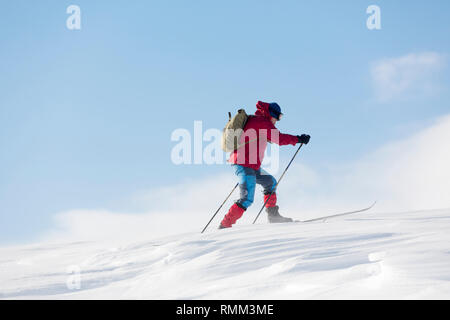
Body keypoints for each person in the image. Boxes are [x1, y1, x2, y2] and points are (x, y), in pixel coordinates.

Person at [219, 101, 311, 229]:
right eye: (278, 117)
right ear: (271, 114)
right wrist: (298, 139)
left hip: (251, 165)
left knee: (270, 183)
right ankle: (225, 225)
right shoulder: (262, 122)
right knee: (247, 199)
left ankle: (273, 216)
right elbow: (279, 139)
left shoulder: (258, 121)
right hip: (243, 163)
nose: (277, 121)